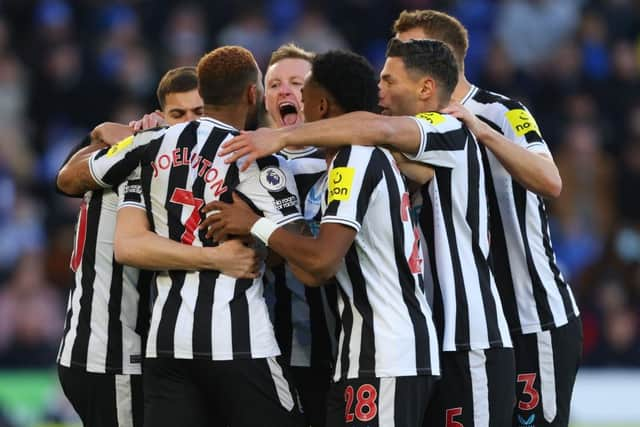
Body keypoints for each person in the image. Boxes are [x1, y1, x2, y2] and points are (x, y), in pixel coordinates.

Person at [217, 38, 517, 427]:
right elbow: (312, 268)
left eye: (389, 80)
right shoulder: (366, 157)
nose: (381, 90)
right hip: (387, 349)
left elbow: (322, 261)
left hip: (441, 342)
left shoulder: (424, 133)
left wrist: (257, 217)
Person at [204, 49, 440, 427]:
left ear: (322, 104)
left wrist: (254, 224)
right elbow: (313, 273)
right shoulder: (345, 166)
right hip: (363, 355)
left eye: (304, 90)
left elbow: (321, 260)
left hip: (387, 354)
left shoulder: (355, 159)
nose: (296, 99)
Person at [394, 10, 581, 427]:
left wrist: (481, 131)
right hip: (468, 325)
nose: (394, 61)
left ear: (439, 57)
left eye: (407, 50)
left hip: (532, 317)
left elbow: (550, 181)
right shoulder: (416, 129)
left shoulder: (503, 111)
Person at [108, 46, 304, 427]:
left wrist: (104, 132)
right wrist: (255, 234)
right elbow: (297, 249)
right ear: (252, 94)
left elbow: (75, 177)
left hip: (165, 342)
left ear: (204, 92)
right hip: (239, 341)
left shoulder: (149, 146)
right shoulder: (255, 154)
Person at [55, 66, 258, 427]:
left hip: (114, 352)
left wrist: (106, 131)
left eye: (199, 113)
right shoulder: (143, 158)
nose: (189, 124)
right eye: (178, 115)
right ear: (161, 116)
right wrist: (218, 259)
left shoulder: (152, 155)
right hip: (112, 355)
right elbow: (68, 180)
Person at [263, 43, 335, 427]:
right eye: (274, 85)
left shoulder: (352, 156)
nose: (285, 91)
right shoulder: (250, 163)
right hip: (280, 347)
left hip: (348, 347)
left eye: (296, 82)